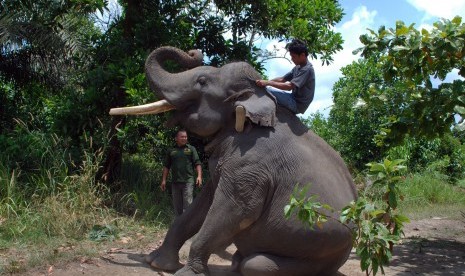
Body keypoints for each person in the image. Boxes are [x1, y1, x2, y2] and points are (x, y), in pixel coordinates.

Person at [256, 39, 315, 115]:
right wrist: (264, 82)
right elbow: (282, 79)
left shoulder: (307, 69)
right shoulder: (298, 67)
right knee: (266, 88)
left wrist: (268, 83)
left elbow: (289, 86)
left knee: (267, 91)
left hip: (297, 104)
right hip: (292, 98)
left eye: (294, 57)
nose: (292, 59)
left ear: (303, 55)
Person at [160, 129, 202, 216]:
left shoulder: (191, 149)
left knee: (188, 207)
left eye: (186, 137)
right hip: (175, 183)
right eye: (182, 137)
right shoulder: (171, 150)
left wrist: (199, 176)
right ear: (176, 138)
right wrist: (164, 180)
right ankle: (179, 227)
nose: (184, 138)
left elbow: (197, 163)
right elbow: (166, 166)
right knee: (177, 208)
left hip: (188, 182)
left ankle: (188, 228)